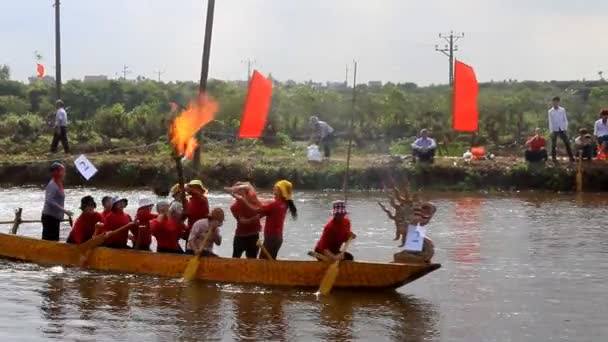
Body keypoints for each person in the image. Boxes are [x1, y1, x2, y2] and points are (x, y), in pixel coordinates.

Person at [231, 180, 297, 259]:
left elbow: (256, 210)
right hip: (276, 237)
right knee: (269, 260)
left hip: (268, 237)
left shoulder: (274, 204)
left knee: (262, 261)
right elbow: (262, 213)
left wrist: (244, 200)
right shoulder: (284, 204)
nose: (273, 192)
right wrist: (255, 217)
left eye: (275, 190)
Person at [228, 182, 262, 259]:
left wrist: (258, 216)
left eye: (240, 190)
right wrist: (255, 218)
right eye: (236, 191)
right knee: (235, 260)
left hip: (254, 235)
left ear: (245, 191)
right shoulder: (234, 207)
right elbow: (242, 221)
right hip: (240, 236)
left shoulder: (253, 200)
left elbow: (261, 210)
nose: (238, 192)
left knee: (252, 260)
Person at [41, 162, 72, 241]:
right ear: (56, 172)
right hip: (49, 217)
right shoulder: (52, 185)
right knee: (49, 241)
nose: (64, 173)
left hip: (55, 217)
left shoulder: (59, 183)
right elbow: (49, 200)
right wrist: (64, 210)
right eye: (62, 171)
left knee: (54, 240)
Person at [548, 96, 575, 162]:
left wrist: (565, 127)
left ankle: (571, 157)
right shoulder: (550, 111)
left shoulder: (562, 110)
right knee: (553, 144)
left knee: (567, 142)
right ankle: (554, 158)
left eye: (556, 102)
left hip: (562, 128)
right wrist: (551, 131)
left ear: (558, 102)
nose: (555, 103)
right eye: (554, 102)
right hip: (554, 129)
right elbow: (550, 121)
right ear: (552, 102)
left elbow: (565, 119)